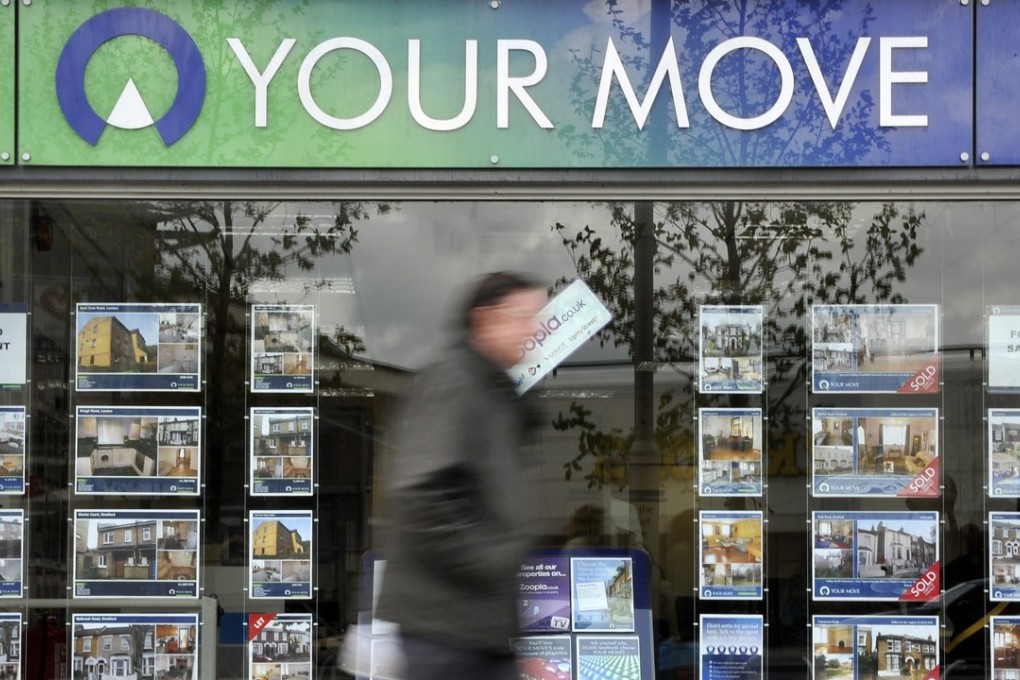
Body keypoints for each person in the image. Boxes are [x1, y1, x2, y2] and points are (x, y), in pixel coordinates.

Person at [375, 271, 547, 680]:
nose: (534, 328)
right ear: (486, 319)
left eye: (537, 316)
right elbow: (422, 497)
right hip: (444, 633)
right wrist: (494, 561)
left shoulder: (498, 395)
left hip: (479, 631)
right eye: (524, 315)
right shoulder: (453, 381)